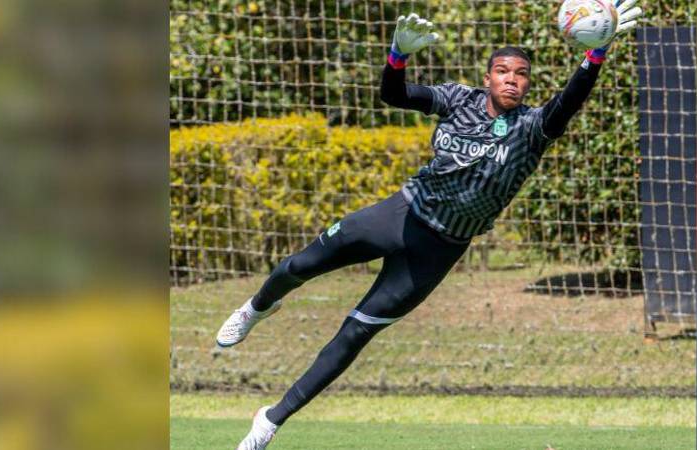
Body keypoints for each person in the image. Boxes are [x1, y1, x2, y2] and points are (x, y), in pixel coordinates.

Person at [219, 3, 643, 449]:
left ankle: (269, 422)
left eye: (521, 73)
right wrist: (397, 57)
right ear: (488, 77)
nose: (512, 79)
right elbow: (394, 96)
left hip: (439, 250)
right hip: (399, 214)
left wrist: (595, 54)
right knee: (301, 264)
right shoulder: (458, 99)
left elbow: (570, 101)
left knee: (356, 333)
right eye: (502, 71)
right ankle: (257, 307)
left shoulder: (533, 127)